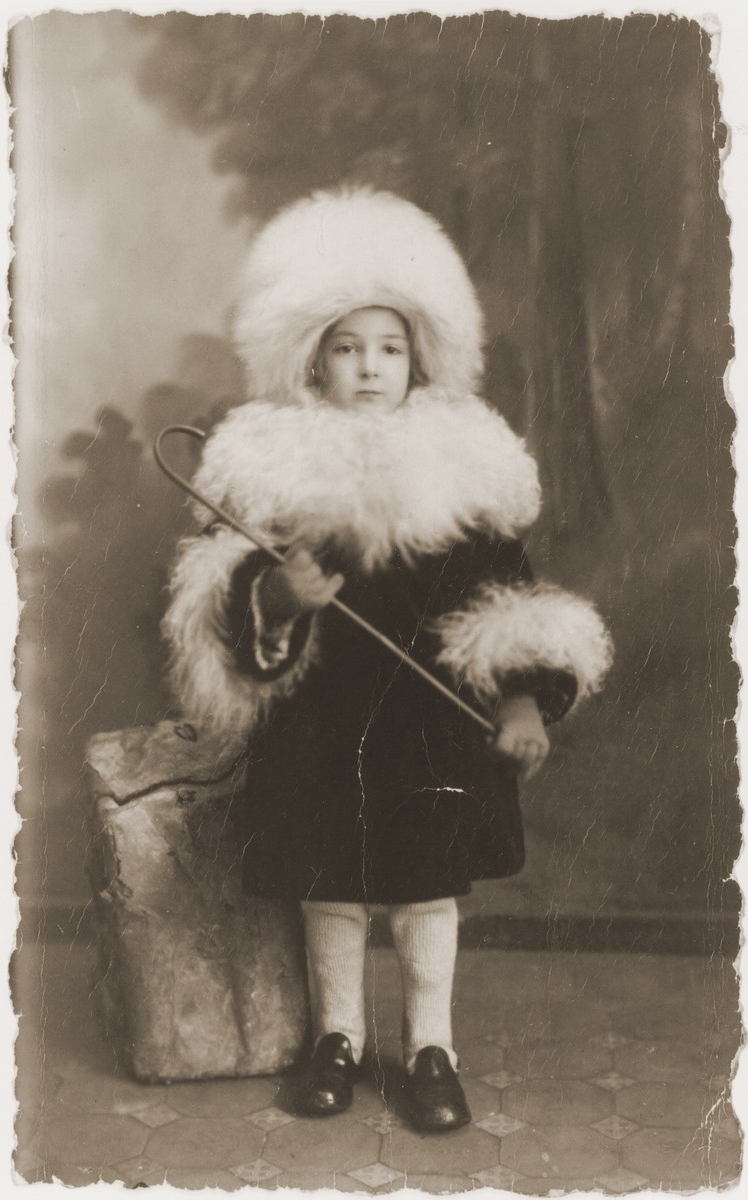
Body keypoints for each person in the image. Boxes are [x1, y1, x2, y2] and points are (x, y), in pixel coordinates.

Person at [162, 188, 612, 1132]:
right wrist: (276, 598)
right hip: (318, 721)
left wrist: (525, 700)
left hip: (430, 726)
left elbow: (508, 596)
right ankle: (336, 1038)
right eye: (346, 347)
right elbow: (217, 594)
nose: (369, 367)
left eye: (389, 347)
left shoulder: (466, 463)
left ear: (422, 356)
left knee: (421, 885)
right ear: (311, 359)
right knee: (330, 881)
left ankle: (430, 1048)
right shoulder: (265, 466)